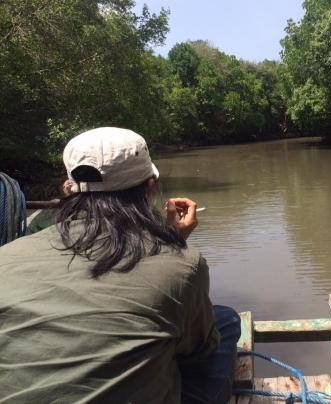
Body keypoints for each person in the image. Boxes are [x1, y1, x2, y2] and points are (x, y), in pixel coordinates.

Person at [0, 127, 241, 403]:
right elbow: (198, 352)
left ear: (67, 188)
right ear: (149, 187)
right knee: (227, 320)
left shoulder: (6, 256)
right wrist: (176, 245)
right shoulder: (183, 262)